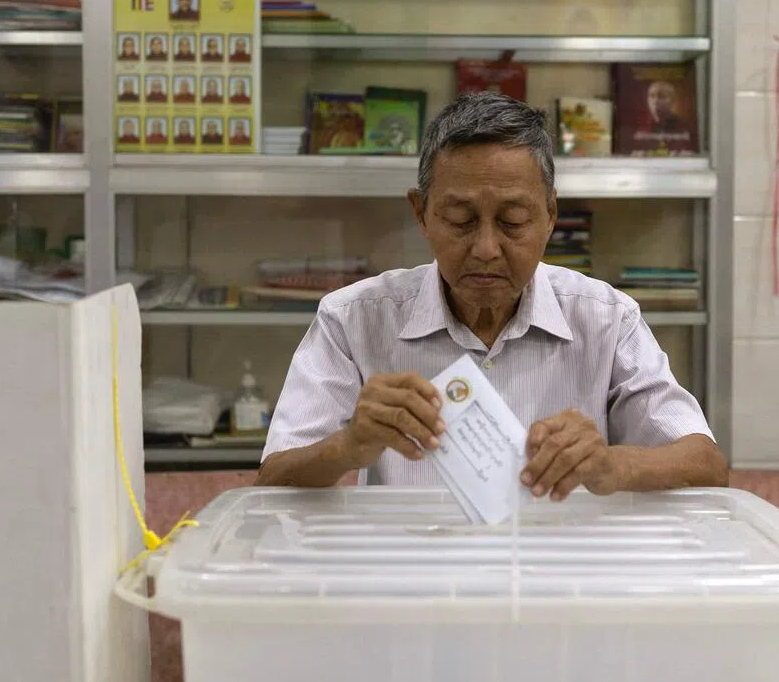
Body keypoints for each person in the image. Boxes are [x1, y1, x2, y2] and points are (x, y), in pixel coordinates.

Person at [257, 92, 726, 499]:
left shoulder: (605, 319)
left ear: (549, 216)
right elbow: (273, 478)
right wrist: (350, 446)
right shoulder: (352, 319)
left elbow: (705, 465)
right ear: (421, 215)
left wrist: (613, 465)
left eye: (513, 221)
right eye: (460, 219)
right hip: (410, 578)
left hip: (560, 580)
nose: (485, 249)